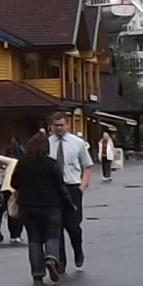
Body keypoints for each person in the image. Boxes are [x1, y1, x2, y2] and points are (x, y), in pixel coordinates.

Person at [11, 126, 67, 284]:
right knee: (52, 235)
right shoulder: (52, 164)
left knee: (34, 239)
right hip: (51, 206)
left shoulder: (22, 164)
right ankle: (51, 258)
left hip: (28, 206)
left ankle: (37, 273)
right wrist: (69, 203)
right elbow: (60, 187)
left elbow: (14, 183)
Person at [50, 112, 91, 270]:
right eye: (56, 125)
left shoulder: (77, 143)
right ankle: (60, 261)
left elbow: (87, 166)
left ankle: (78, 251)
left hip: (72, 186)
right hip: (53, 188)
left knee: (73, 225)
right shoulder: (47, 143)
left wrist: (82, 187)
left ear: (67, 125)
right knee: (56, 226)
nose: (59, 128)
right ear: (52, 126)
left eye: (61, 125)